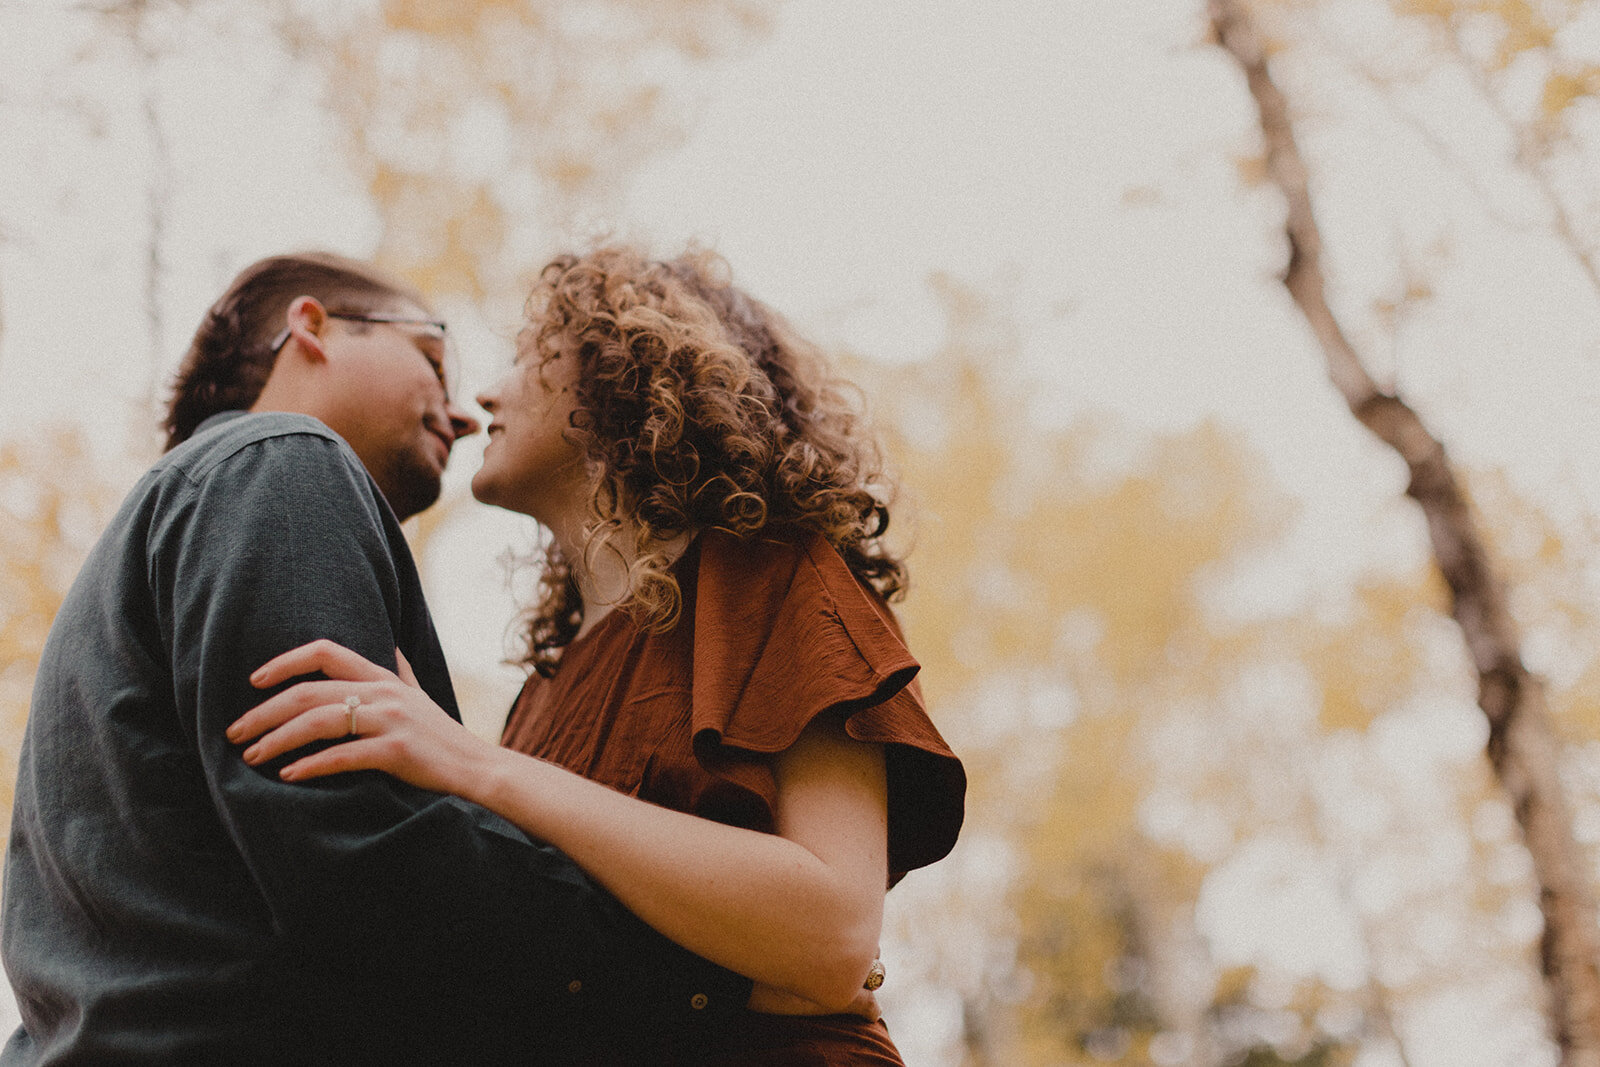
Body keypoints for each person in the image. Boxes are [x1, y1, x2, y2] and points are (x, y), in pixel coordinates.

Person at [0, 252, 753, 1066]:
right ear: (312, 327)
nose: (465, 413)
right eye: (433, 356)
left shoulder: (154, 545)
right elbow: (357, 845)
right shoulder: (282, 460)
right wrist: (707, 978)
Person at [230, 245, 968, 1064]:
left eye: (525, 358)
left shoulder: (771, 575)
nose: (483, 395)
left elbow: (833, 937)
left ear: (623, 372)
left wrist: (475, 766)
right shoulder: (540, 698)